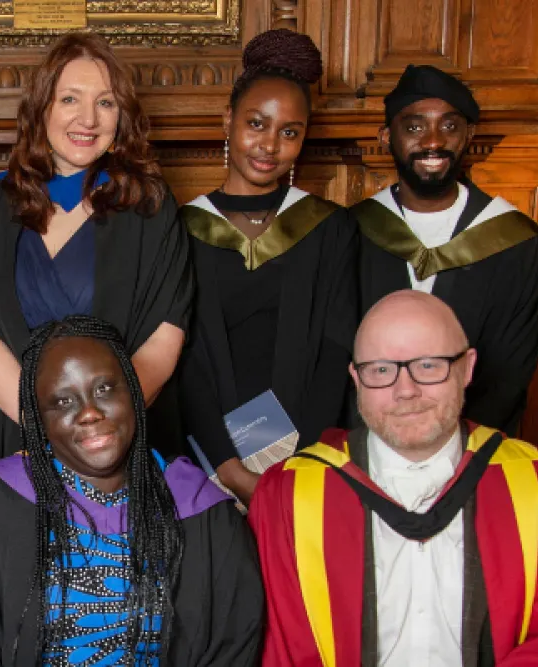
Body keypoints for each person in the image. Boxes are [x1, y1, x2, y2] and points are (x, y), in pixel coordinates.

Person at [249, 290, 538, 666]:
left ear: (467, 367)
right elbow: (279, 652)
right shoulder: (289, 495)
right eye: (380, 369)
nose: (405, 390)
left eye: (428, 365)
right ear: (356, 380)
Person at [0, 315, 263, 665]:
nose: (90, 413)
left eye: (104, 388)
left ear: (133, 390)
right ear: (39, 419)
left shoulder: (203, 513)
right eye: (64, 401)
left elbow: (232, 647)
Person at [0, 33, 192, 466]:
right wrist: (44, 425)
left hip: (117, 442)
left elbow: (164, 334)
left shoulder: (149, 205)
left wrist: (97, 428)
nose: (88, 118)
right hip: (15, 434)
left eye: (105, 103)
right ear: (41, 107)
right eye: (70, 99)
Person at [176, 29, 358, 501]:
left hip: (306, 459)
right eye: (256, 123)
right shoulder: (183, 228)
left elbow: (337, 352)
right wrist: (229, 468)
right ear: (228, 120)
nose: (269, 145)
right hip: (203, 457)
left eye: (289, 132)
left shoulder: (329, 229)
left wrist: (304, 461)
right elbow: (183, 360)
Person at [354, 64, 538, 434]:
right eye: (414, 127)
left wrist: (456, 453)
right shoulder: (351, 234)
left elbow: (508, 373)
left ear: (469, 135)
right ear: (386, 136)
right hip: (368, 444)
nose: (433, 141)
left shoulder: (516, 242)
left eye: (449, 126)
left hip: (469, 449)